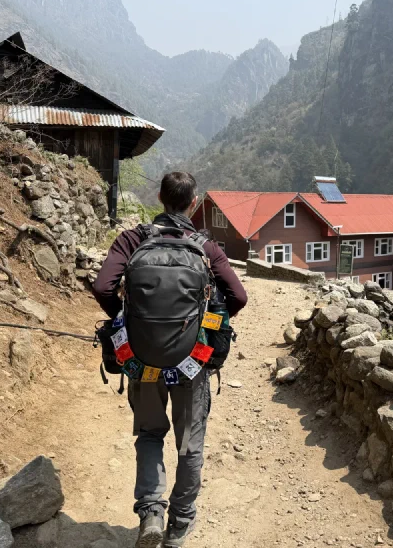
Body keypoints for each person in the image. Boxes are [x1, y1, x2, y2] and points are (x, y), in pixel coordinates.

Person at [93, 172, 247, 548]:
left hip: (140, 358)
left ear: (160, 197)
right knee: (190, 444)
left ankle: (150, 514)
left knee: (149, 434)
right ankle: (179, 525)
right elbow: (238, 297)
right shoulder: (205, 247)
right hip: (192, 361)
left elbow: (102, 287)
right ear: (193, 203)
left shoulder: (132, 239)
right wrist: (203, 324)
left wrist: (125, 318)